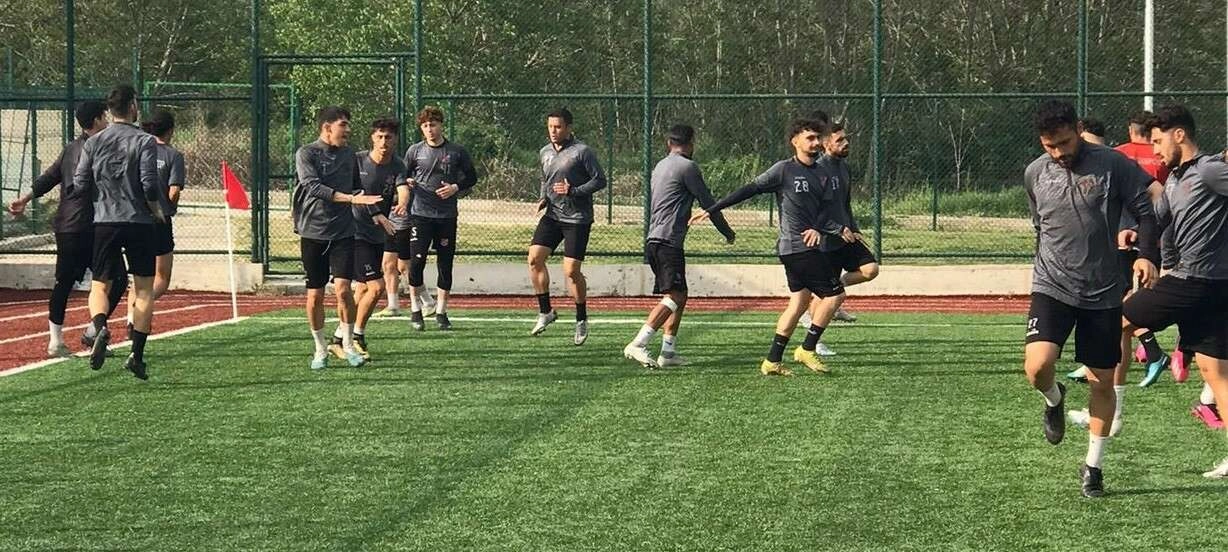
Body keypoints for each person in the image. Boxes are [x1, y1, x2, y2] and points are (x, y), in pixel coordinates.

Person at [1021, 100, 1160, 497]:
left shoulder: (1112, 164)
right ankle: (1054, 399)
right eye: (1050, 146)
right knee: (1037, 367)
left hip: (1102, 290)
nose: (1058, 153)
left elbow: (1147, 210)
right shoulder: (1034, 173)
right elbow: (1041, 226)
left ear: (1078, 130)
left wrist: (1147, 254)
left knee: (1102, 381)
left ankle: (1093, 467)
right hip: (1051, 285)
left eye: (1064, 142)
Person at [1122, 104, 1228, 480]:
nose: (1154, 150)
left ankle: (1109, 412)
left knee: (1118, 319)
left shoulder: (1209, 170)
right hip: (1209, 286)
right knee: (1215, 371)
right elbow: (1155, 218)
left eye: (1157, 141)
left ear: (1179, 135)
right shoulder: (1174, 179)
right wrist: (1139, 241)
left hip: (1194, 281)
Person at [690, 116, 840, 376]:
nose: (816, 143)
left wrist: (818, 227)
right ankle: (807, 348)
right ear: (795, 141)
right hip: (796, 247)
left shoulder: (823, 173)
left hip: (807, 247)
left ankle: (772, 361)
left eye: (818, 138)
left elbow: (827, 208)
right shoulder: (783, 170)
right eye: (810, 138)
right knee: (835, 295)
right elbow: (748, 189)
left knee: (799, 302)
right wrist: (712, 209)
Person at [6, 100, 125, 358]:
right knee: (116, 278)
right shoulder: (101, 148)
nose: (107, 120)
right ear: (97, 120)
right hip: (93, 226)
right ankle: (91, 331)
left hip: (68, 226)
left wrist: (25, 198)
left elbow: (50, 176)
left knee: (66, 282)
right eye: (104, 116)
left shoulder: (71, 148)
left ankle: (60, 339)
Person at [72, 85, 169, 380]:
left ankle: (100, 327)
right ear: (132, 106)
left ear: (109, 110)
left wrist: (99, 200)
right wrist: (156, 211)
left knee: (100, 284)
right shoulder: (144, 141)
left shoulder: (93, 142)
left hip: (105, 221)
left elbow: (80, 183)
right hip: (139, 222)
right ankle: (136, 356)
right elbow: (149, 184)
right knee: (143, 289)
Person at [623, 124, 735, 368]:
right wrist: (727, 232)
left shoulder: (660, 165)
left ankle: (668, 352)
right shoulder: (688, 167)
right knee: (675, 295)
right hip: (668, 241)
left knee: (679, 295)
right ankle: (638, 343)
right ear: (692, 143)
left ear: (668, 143)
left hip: (655, 239)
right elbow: (708, 203)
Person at [292, 106, 382, 370]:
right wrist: (351, 199)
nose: (348, 130)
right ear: (327, 127)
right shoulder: (306, 153)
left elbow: (357, 188)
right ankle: (320, 348)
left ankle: (348, 344)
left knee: (344, 290)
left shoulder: (348, 155)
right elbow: (313, 187)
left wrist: (376, 213)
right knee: (315, 295)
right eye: (343, 124)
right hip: (313, 232)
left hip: (343, 232)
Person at [528, 107, 607, 344]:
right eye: (550, 126)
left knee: (571, 271)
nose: (553, 131)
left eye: (558, 127)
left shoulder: (582, 152)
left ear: (569, 128)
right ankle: (546, 311)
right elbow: (546, 178)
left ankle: (581, 318)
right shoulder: (544, 152)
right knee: (534, 258)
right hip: (553, 215)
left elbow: (600, 180)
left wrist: (574, 191)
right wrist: (543, 197)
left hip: (577, 219)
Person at [401, 106, 478, 331]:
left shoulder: (456, 151)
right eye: (425, 126)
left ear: (441, 125)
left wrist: (455, 187)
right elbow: (403, 175)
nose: (429, 129)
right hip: (420, 214)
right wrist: (408, 181)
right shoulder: (415, 151)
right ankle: (416, 309)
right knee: (416, 263)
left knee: (445, 264)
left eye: (433, 125)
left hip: (446, 216)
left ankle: (442, 311)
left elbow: (472, 177)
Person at [344, 117, 404, 358]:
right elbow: (355, 192)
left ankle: (341, 337)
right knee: (377, 287)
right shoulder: (357, 160)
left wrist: (404, 202)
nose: (383, 141)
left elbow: (402, 187)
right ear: (372, 138)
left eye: (388, 137)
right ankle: (356, 336)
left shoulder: (398, 165)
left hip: (377, 235)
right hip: (354, 232)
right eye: (379, 136)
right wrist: (376, 213)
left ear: (395, 140)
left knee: (361, 290)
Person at [126, 109, 184, 327]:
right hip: (160, 219)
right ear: (171, 130)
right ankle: (140, 309)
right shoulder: (173, 155)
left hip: (136, 218)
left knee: (139, 276)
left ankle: (130, 318)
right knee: (161, 277)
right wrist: (170, 205)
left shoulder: (138, 150)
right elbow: (174, 191)